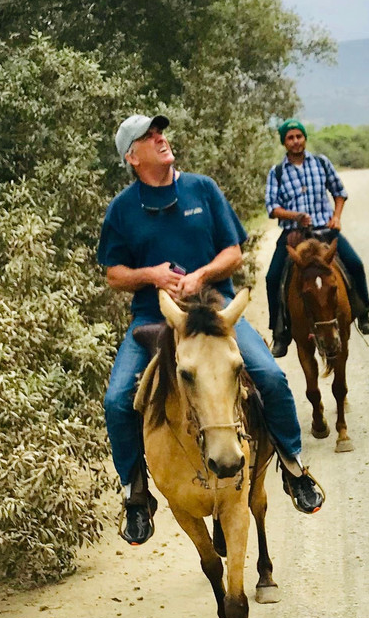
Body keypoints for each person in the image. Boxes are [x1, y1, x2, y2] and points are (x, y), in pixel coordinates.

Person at [100, 114, 326, 546]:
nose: (160, 138)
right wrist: (152, 275)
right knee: (116, 401)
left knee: (272, 379)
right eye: (148, 137)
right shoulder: (123, 209)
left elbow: (233, 252)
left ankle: (294, 467)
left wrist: (202, 275)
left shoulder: (203, 189)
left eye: (159, 132)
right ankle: (136, 494)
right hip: (154, 320)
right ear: (132, 157)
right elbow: (114, 273)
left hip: (217, 315)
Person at [265, 119, 369, 358]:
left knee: (355, 263)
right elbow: (272, 207)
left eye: (299, 136)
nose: (295, 141)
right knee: (273, 277)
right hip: (293, 235)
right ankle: (280, 332)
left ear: (304, 138)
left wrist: (336, 217)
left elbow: (339, 192)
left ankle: (364, 312)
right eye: (290, 138)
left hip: (325, 231)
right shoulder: (277, 172)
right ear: (284, 142)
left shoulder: (321, 163)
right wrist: (294, 216)